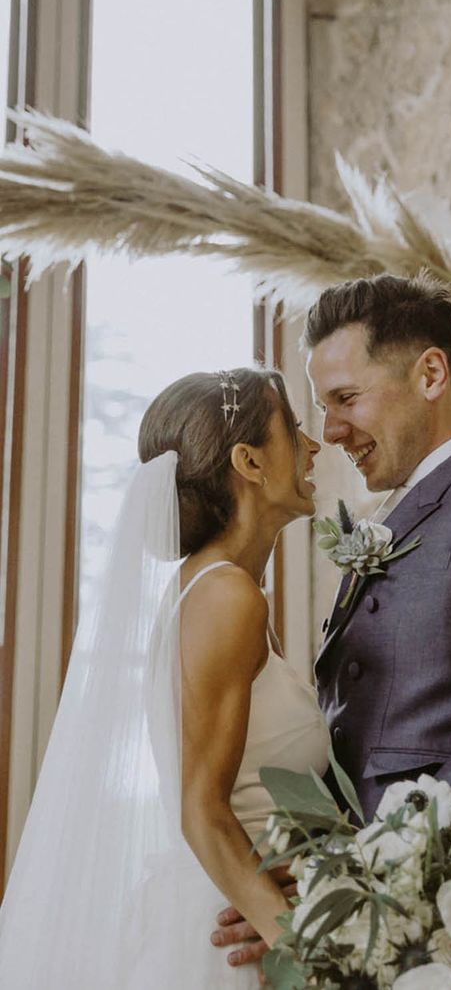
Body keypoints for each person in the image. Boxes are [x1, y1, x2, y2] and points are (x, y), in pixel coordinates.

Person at [216, 272, 451, 969]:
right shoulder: (392, 522)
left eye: (346, 399)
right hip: (371, 933)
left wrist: (364, 873)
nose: (330, 432)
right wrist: (299, 885)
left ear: (430, 374)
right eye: (323, 407)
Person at [0, 367, 328, 989]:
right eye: (297, 430)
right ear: (250, 462)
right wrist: (313, 954)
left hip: (239, 904)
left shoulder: (217, 591)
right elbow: (201, 810)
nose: (314, 448)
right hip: (237, 940)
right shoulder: (227, 597)